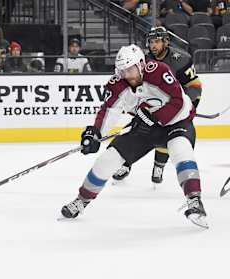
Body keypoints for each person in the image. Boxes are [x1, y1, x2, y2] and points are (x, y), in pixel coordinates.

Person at [60, 44, 207, 228]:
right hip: (144, 128)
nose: (127, 75)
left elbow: (178, 101)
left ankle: (194, 200)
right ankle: (82, 200)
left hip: (177, 123)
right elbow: (108, 111)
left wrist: (154, 116)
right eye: (122, 71)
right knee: (107, 159)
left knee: (181, 151)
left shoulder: (159, 71)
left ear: (141, 65)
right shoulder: (118, 84)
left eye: (130, 69)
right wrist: (95, 132)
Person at [112, 27, 203, 184]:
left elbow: (194, 86)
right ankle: (126, 164)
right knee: (136, 130)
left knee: (170, 133)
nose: (153, 45)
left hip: (174, 105)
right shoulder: (143, 61)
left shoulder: (180, 59)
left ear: (166, 42)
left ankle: (159, 165)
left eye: (157, 42)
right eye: (151, 42)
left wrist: (189, 105)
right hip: (151, 104)